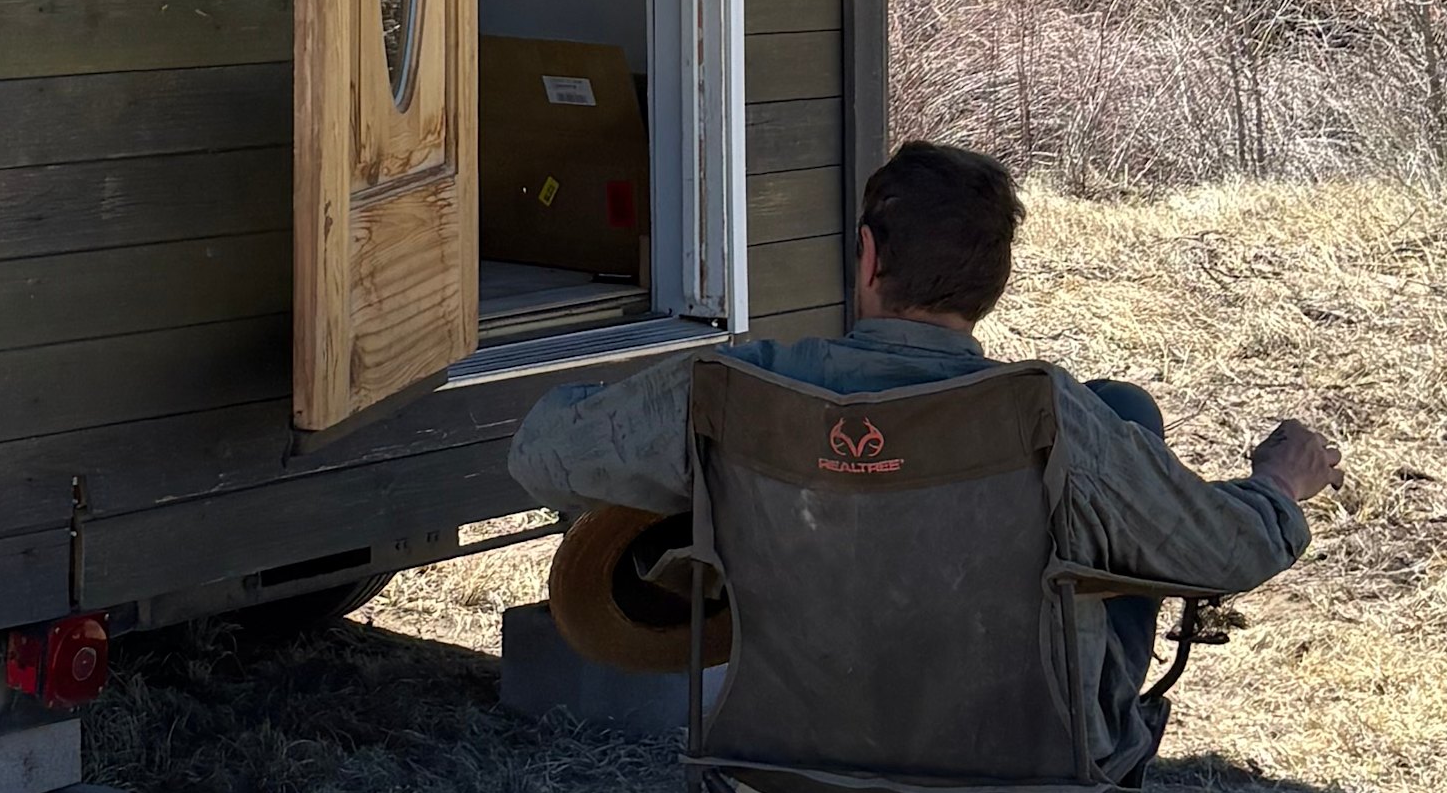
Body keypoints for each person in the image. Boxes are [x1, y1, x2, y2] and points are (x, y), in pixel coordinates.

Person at [508, 138, 1343, 705]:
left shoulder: (744, 390)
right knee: (1125, 412)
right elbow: (1225, 552)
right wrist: (1276, 487)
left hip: (789, 733)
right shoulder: (1052, 417)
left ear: (869, 256)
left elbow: (540, 453)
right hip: (1020, 751)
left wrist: (697, 477)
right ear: (993, 282)